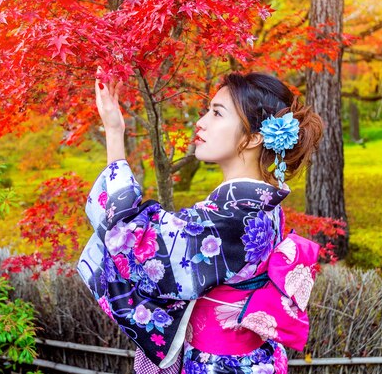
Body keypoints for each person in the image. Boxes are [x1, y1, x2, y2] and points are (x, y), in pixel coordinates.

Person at [78, 71, 324, 374]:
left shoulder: (235, 213)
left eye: (217, 113)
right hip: (255, 359)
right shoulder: (258, 201)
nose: (201, 122)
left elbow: (131, 239)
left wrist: (114, 136)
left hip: (221, 365)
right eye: (207, 110)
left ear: (253, 138)